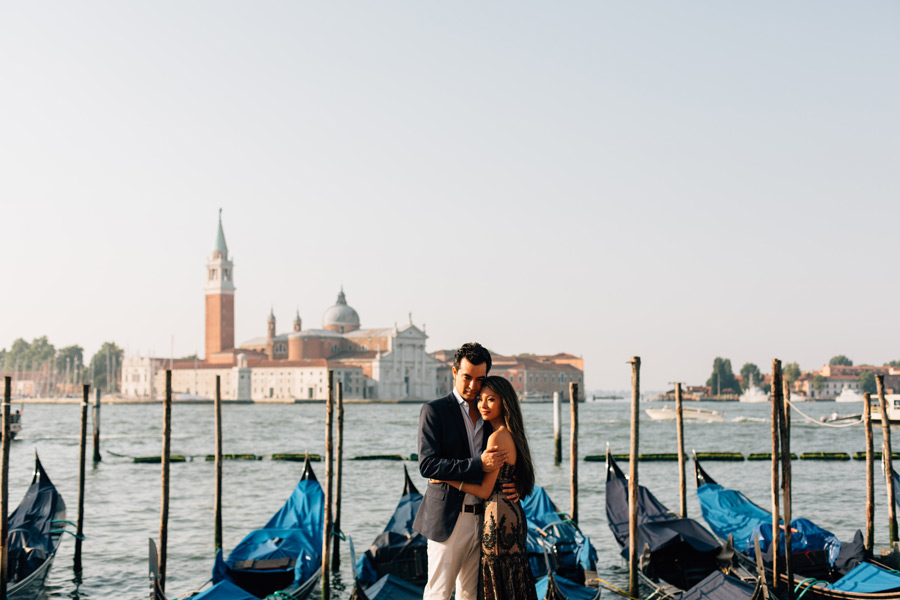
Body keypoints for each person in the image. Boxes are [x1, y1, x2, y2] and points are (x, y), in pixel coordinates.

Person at [413, 342, 516, 600]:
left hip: (485, 519)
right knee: (438, 593)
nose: (472, 386)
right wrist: (477, 464)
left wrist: (520, 487)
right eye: (467, 377)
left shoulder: (489, 413)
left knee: (471, 595)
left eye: (479, 380)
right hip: (448, 518)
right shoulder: (434, 411)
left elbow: (515, 457)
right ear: (454, 372)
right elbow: (427, 465)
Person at [430, 376, 537, 600]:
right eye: (480, 399)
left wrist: (446, 479)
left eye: (491, 400)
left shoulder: (496, 438)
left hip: (497, 519)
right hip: (511, 514)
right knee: (512, 583)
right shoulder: (511, 434)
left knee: (498, 585)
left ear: (504, 402)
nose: (482, 405)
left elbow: (485, 491)